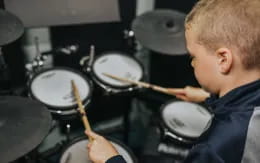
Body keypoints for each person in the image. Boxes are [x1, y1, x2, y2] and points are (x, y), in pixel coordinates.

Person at [85, 0, 260, 162]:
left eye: (193, 57)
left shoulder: (214, 148)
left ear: (223, 59)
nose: (192, 63)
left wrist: (111, 159)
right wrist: (205, 96)